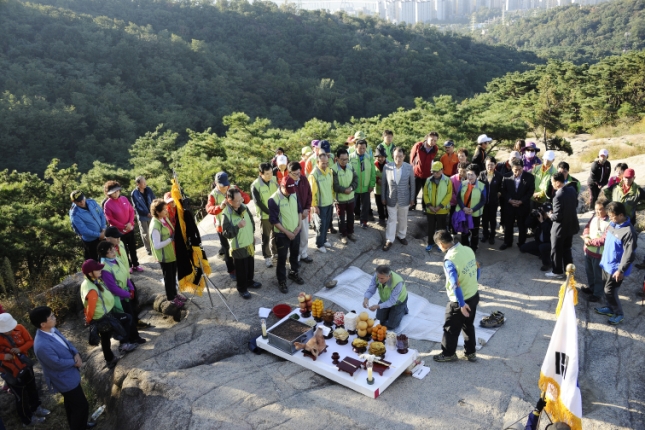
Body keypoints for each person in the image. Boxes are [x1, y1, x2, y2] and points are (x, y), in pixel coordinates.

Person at [30, 306, 93, 430]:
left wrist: (76, 354)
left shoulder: (52, 329)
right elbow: (56, 363)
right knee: (81, 406)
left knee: (71, 404)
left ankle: (80, 425)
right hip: (64, 379)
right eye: (52, 317)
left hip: (70, 374)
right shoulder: (41, 345)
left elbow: (66, 342)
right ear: (43, 324)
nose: (55, 317)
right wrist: (74, 362)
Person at [433, 230, 480, 363]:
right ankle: (471, 353)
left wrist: (461, 304)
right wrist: (473, 283)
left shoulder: (450, 260)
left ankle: (448, 354)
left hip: (460, 301)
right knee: (468, 325)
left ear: (441, 244)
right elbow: (478, 268)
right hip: (473, 294)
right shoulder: (468, 249)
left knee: (450, 328)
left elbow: (455, 284)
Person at [80, 259, 136, 368]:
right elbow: (90, 306)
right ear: (90, 272)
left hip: (103, 315)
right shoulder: (91, 289)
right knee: (127, 319)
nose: (101, 269)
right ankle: (122, 346)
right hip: (102, 317)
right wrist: (88, 319)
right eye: (97, 269)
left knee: (105, 338)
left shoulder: (91, 282)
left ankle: (110, 359)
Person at [0, 313, 49, 426]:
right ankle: (27, 419)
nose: (10, 332)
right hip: (10, 370)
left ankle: (36, 407)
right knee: (20, 395)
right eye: (7, 330)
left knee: (32, 387)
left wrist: (20, 349)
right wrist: (3, 357)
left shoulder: (20, 328)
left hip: (25, 364)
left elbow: (30, 341)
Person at [595, 202, 636, 325]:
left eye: (612, 216)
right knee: (606, 288)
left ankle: (619, 313)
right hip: (606, 264)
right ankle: (610, 308)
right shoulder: (613, 224)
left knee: (610, 291)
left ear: (621, 215)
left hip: (617, 269)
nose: (610, 218)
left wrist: (621, 270)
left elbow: (629, 254)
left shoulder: (628, 232)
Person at [97, 241, 146, 344]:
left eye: (113, 249)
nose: (113, 252)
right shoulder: (105, 268)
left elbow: (125, 274)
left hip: (127, 294)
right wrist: (128, 294)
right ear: (104, 254)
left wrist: (131, 288)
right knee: (126, 319)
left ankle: (135, 337)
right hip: (119, 299)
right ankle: (127, 341)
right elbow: (113, 288)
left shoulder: (116, 260)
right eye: (110, 251)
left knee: (131, 316)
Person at [205, 172, 251, 280]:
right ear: (216, 183)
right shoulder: (213, 194)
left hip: (237, 222)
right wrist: (220, 207)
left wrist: (242, 199)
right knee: (227, 248)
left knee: (238, 246)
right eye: (222, 185)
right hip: (222, 226)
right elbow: (209, 209)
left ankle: (242, 267)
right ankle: (231, 270)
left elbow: (247, 198)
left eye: (226, 184)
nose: (225, 187)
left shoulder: (234, 188)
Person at [222, 188, 261, 299]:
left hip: (249, 242)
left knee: (250, 264)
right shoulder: (226, 214)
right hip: (238, 246)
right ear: (229, 201)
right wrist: (237, 226)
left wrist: (252, 234)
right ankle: (242, 288)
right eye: (237, 201)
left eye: (241, 199)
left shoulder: (244, 208)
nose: (240, 202)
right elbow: (226, 233)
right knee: (241, 269)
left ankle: (250, 281)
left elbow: (251, 222)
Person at [269, 176, 304, 294]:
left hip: (296, 231)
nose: (290, 193)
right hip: (282, 235)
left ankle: (294, 273)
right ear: (282, 186)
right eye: (288, 191)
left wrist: (299, 226)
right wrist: (287, 232)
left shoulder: (293, 193)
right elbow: (274, 221)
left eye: (292, 190)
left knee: (295, 254)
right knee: (282, 258)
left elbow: (299, 210)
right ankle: (282, 280)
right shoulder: (274, 199)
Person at [103, 181, 143, 273]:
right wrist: (123, 226)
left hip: (130, 228)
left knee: (133, 248)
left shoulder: (124, 199)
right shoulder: (107, 204)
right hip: (118, 232)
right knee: (123, 250)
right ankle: (127, 266)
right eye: (113, 192)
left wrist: (130, 223)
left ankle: (136, 264)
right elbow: (110, 219)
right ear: (108, 193)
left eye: (117, 191)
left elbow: (131, 211)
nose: (116, 193)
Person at [547, 172, 580, 279]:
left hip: (560, 229)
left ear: (557, 183)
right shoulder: (572, 190)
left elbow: (557, 216)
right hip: (570, 226)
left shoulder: (557, 196)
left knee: (556, 250)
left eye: (552, 182)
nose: (551, 184)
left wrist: (549, 215)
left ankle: (557, 271)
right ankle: (569, 271)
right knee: (567, 249)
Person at [381, 147, 415, 251]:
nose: (398, 158)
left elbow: (412, 184)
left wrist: (412, 198)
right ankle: (389, 239)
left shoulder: (409, 167)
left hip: (404, 198)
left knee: (403, 218)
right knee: (391, 219)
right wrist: (383, 197)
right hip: (391, 197)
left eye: (400, 156)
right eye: (396, 156)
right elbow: (384, 184)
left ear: (404, 156)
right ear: (393, 156)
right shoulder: (387, 167)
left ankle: (401, 235)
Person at [149, 199, 182, 304]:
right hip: (164, 256)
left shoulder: (164, 218)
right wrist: (170, 239)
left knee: (173, 275)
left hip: (171, 253)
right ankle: (171, 298)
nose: (166, 211)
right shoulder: (155, 226)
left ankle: (175, 294)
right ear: (157, 212)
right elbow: (157, 245)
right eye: (163, 210)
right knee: (168, 278)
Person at [500, 160, 535, 250]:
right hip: (509, 205)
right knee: (508, 225)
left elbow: (530, 191)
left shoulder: (529, 177)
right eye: (515, 170)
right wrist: (510, 200)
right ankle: (507, 242)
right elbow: (503, 191)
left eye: (519, 169)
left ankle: (521, 243)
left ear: (522, 168)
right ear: (511, 168)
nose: (517, 172)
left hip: (522, 205)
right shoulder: (506, 177)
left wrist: (521, 201)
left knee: (522, 225)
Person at [580, 200, 610, 302]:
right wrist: (586, 236)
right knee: (589, 272)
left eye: (600, 209)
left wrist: (589, 241)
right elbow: (587, 227)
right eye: (596, 209)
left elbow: (604, 240)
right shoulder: (594, 217)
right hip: (588, 251)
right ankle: (591, 288)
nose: (597, 212)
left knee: (598, 275)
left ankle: (597, 294)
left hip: (599, 254)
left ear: (607, 209)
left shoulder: (610, 222)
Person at [362, 265, 408, 330]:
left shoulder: (398, 283)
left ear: (389, 276)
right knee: (379, 319)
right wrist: (366, 298)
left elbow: (392, 301)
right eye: (379, 277)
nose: (380, 280)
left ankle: (403, 309)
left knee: (391, 325)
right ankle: (390, 311)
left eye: (382, 278)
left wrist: (378, 306)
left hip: (398, 302)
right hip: (385, 299)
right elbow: (371, 289)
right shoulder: (377, 275)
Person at [251, 163, 278, 268]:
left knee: (275, 235)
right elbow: (258, 202)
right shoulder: (256, 185)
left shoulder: (274, 180)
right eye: (267, 174)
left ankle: (275, 253)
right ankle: (267, 257)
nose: (270, 175)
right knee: (265, 237)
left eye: (271, 173)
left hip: (275, 214)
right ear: (260, 173)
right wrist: (269, 212)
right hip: (265, 216)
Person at [455, 164, 487, 253]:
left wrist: (473, 209)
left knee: (474, 232)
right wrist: (463, 208)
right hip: (464, 212)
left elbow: (483, 201)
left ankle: (473, 248)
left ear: (476, 175)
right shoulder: (463, 184)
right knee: (464, 231)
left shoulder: (482, 186)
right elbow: (458, 198)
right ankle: (464, 248)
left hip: (475, 213)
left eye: (471, 175)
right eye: (468, 174)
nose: (469, 177)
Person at [423, 161, 452, 252]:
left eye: (437, 171)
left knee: (441, 228)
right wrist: (429, 205)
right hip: (430, 209)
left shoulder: (447, 180)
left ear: (442, 170)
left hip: (442, 210)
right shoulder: (428, 180)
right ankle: (430, 243)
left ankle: (441, 244)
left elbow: (449, 194)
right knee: (431, 228)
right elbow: (425, 194)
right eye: (433, 171)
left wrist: (440, 206)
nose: (435, 173)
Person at [70, 190, 106, 261]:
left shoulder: (92, 202)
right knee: (94, 261)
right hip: (91, 241)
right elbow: (84, 231)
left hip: (102, 233)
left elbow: (101, 214)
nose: (82, 202)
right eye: (78, 201)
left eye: (82, 199)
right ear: (74, 202)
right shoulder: (75, 214)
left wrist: (103, 228)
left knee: (105, 257)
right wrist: (99, 235)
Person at [288, 162, 313, 264]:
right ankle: (295, 257)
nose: (297, 176)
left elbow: (309, 195)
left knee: (305, 235)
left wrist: (307, 209)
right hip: (293, 215)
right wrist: (299, 212)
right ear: (289, 173)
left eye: (298, 173)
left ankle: (303, 253)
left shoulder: (304, 179)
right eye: (295, 174)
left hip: (304, 213)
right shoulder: (287, 183)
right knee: (295, 237)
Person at [331, 148, 358, 245]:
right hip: (340, 199)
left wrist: (351, 188)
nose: (344, 161)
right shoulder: (333, 169)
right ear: (337, 159)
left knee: (351, 216)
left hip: (350, 197)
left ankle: (351, 232)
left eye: (346, 159)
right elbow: (335, 185)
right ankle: (343, 234)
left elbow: (356, 179)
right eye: (342, 159)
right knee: (341, 218)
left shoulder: (350, 166)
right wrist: (344, 190)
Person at [309, 153, 334, 253]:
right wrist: (314, 205)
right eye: (323, 163)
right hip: (320, 205)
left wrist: (332, 199)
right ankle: (319, 244)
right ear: (317, 162)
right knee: (320, 225)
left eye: (327, 163)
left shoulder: (329, 171)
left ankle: (324, 240)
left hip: (329, 203)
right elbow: (312, 193)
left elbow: (331, 187)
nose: (325, 165)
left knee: (327, 223)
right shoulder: (313, 175)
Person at [409, 132, 439, 211]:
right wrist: (412, 168)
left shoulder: (435, 148)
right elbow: (412, 158)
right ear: (427, 138)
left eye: (435, 141)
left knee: (426, 191)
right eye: (432, 140)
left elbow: (432, 160)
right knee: (414, 190)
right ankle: (412, 204)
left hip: (428, 173)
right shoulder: (418, 145)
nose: (433, 142)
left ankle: (424, 207)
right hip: (417, 172)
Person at [520, 202, 553, 271]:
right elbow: (527, 224)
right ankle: (543, 254)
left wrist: (542, 222)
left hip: (550, 243)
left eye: (548, 212)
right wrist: (531, 216)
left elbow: (549, 231)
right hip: (539, 241)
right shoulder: (539, 217)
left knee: (542, 247)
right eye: (544, 211)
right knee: (523, 248)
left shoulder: (553, 220)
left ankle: (548, 263)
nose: (546, 214)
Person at [350, 139, 376, 228]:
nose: (362, 150)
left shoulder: (369, 157)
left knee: (365, 205)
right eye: (360, 148)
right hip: (354, 186)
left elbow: (373, 172)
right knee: (353, 204)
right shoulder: (350, 157)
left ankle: (364, 221)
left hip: (366, 186)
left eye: (364, 148)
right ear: (356, 147)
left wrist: (372, 184)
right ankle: (353, 219)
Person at [479, 156, 502, 245]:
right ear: (485, 165)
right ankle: (485, 235)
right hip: (483, 202)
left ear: (495, 165)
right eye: (488, 165)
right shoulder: (482, 174)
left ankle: (492, 236)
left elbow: (502, 187)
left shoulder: (499, 175)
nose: (490, 167)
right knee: (484, 219)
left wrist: (499, 192)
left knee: (492, 220)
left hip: (493, 202)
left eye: (492, 165)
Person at [130, 176, 156, 256]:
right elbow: (137, 206)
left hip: (152, 214)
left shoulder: (148, 190)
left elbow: (153, 199)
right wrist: (146, 213)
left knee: (154, 231)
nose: (145, 184)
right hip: (143, 216)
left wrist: (153, 211)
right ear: (138, 184)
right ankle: (148, 249)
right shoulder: (134, 193)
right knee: (146, 233)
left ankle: (155, 247)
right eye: (143, 182)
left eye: (145, 182)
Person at [449, 162, 469, 232]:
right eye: (461, 171)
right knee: (453, 219)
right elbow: (451, 192)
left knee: (465, 220)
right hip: (454, 203)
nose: (462, 173)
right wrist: (459, 201)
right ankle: (453, 232)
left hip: (466, 204)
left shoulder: (470, 179)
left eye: (464, 171)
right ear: (458, 169)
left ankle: (465, 233)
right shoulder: (452, 179)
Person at [374, 145, 388, 226]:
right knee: (379, 204)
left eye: (382, 156)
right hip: (377, 189)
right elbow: (372, 174)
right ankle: (381, 218)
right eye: (379, 157)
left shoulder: (389, 163)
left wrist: (384, 181)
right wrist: (377, 179)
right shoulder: (374, 164)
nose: (381, 158)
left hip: (387, 189)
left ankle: (389, 219)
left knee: (387, 205)